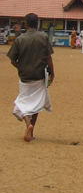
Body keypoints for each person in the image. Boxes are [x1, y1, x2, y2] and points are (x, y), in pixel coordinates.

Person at [6, 12, 55, 142]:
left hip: (24, 76)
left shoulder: (20, 39)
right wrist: (52, 72)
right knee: (36, 103)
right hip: (39, 76)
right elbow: (48, 57)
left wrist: (20, 67)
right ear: (38, 24)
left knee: (23, 101)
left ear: (25, 24)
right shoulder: (43, 37)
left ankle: (28, 124)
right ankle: (31, 131)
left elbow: (12, 60)